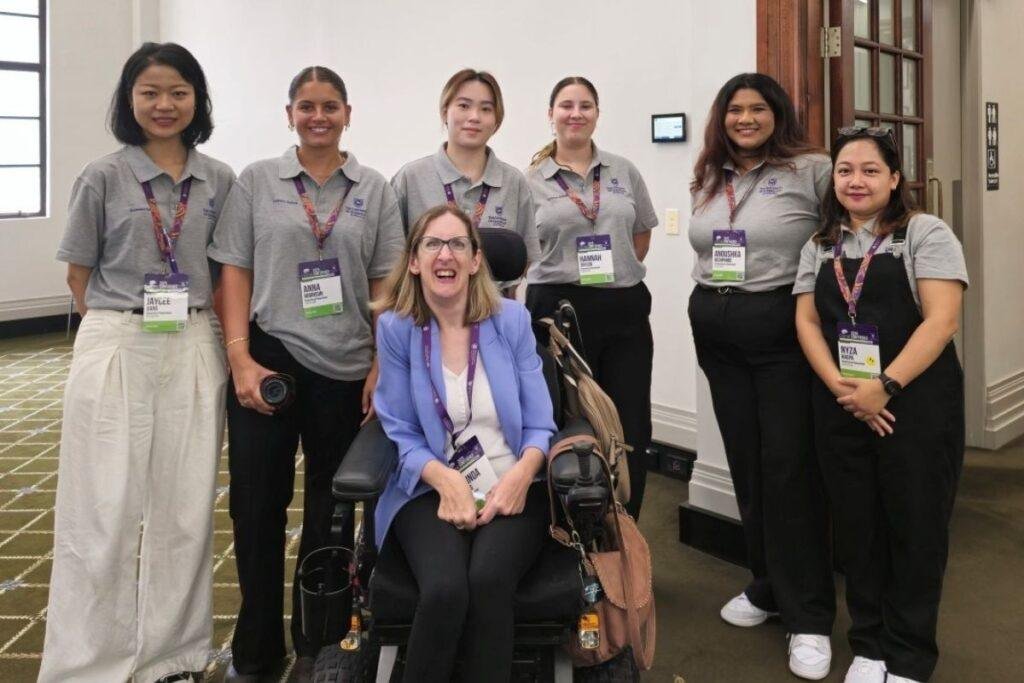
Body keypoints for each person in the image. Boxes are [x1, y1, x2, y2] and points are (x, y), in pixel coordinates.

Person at [42, 42, 234, 683]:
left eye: (178, 92)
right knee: (101, 510)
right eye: (150, 92)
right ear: (130, 99)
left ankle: (170, 657)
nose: (164, 104)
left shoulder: (219, 180)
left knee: (184, 509)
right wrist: (124, 326)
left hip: (194, 341)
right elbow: (79, 275)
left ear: (197, 101)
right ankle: (88, 664)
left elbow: (228, 271)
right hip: (118, 338)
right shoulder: (102, 176)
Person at [208, 66, 404, 680]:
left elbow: (386, 281)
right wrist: (239, 356)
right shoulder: (257, 181)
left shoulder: (372, 186)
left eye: (330, 107)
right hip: (268, 357)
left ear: (348, 112)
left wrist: (379, 360)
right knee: (255, 506)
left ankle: (318, 645)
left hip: (345, 365)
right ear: (288, 113)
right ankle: (257, 647)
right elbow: (233, 270)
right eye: (306, 106)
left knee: (331, 511)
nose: (318, 117)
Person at [794, 127, 967, 683]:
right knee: (857, 528)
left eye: (871, 170)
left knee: (915, 528)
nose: (856, 180)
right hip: (843, 404)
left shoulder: (925, 233)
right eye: (845, 170)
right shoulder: (819, 244)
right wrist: (844, 389)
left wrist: (883, 387)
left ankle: (910, 654)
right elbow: (806, 320)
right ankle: (868, 645)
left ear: (895, 179)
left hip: (914, 405)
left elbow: (942, 321)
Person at [686, 72, 836, 679]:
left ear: (778, 113)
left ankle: (810, 617)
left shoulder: (813, 169)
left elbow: (842, 238)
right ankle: (768, 585)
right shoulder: (710, 173)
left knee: (788, 469)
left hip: (780, 330)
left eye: (757, 109)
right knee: (747, 460)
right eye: (734, 111)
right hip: (716, 327)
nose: (744, 120)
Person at [372, 205, 556, 682]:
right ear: (414, 261)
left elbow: (541, 424)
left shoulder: (511, 321)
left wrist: (521, 476)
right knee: (445, 589)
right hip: (427, 484)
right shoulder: (396, 328)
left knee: (489, 580)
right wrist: (443, 478)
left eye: (458, 244)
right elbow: (400, 429)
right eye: (432, 244)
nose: (445, 254)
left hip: (511, 479)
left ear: (476, 260)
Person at [524, 76, 657, 520]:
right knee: (569, 423)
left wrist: (610, 274)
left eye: (585, 105)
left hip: (623, 311)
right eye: (566, 105)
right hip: (556, 313)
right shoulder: (528, 181)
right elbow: (523, 248)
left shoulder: (624, 171)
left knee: (630, 425)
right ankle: (569, 539)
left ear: (597, 114)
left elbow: (640, 235)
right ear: (550, 114)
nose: (575, 113)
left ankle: (626, 531)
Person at [391, 68, 540, 290]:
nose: (474, 117)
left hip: (495, 312)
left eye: (486, 109)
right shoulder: (410, 179)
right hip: (425, 312)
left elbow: (525, 260)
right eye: (463, 106)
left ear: (497, 120)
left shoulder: (514, 182)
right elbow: (393, 259)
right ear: (444, 112)